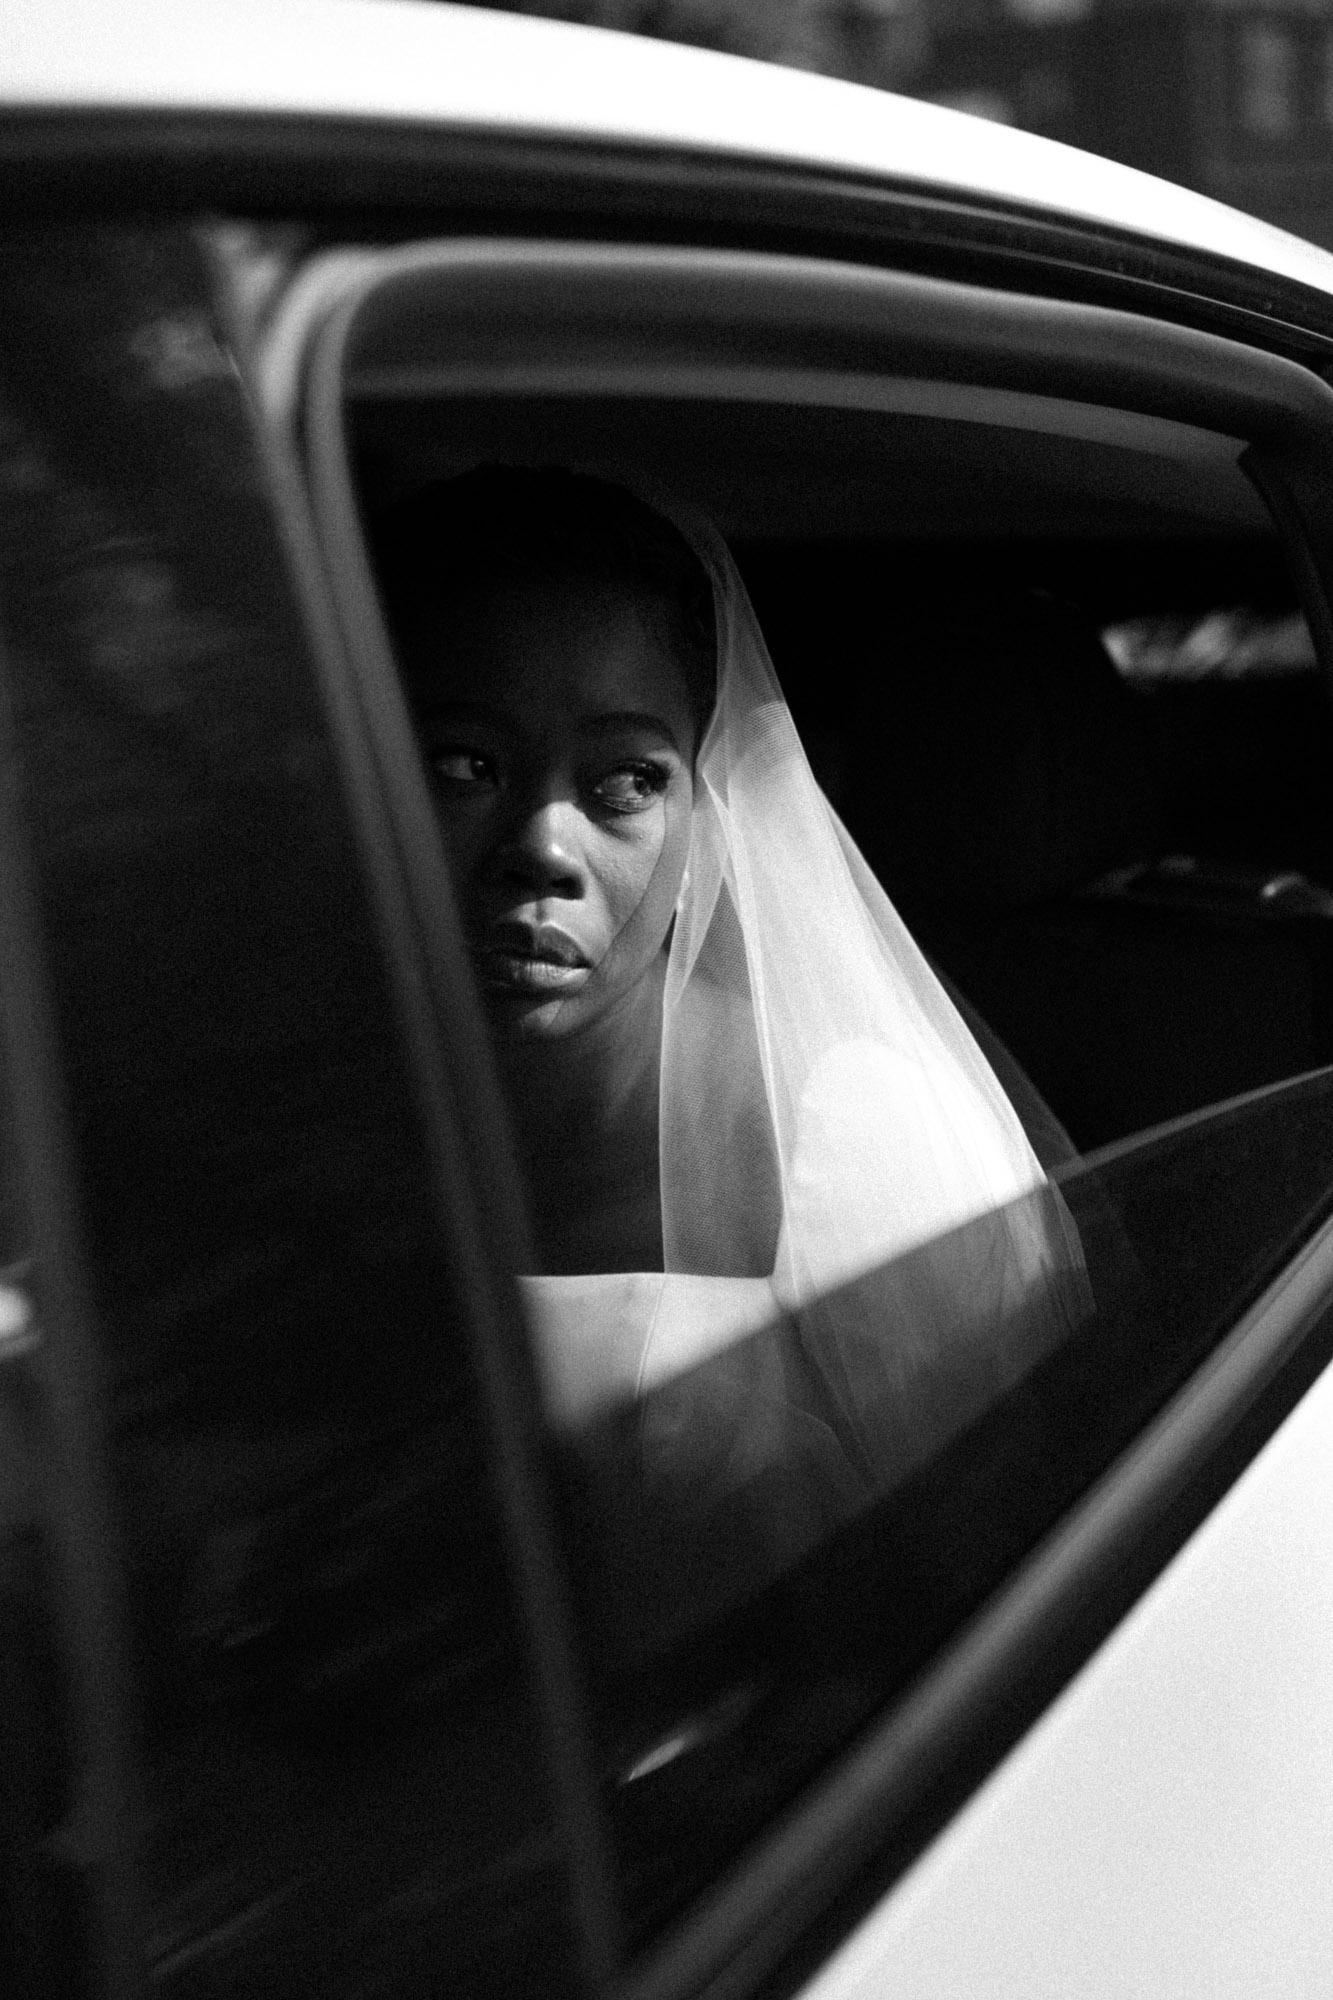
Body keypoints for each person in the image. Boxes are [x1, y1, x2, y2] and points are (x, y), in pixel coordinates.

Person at [376, 468, 1088, 1628]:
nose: (540, 846)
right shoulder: (311, 1102)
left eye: (623, 781)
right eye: (465, 763)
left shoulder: (859, 1141)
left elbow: (998, 1594)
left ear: (707, 808)